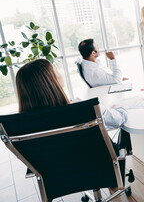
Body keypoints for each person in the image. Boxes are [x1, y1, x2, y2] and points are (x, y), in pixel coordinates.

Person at [15, 59, 128, 195]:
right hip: (101, 168)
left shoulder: (19, 126)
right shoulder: (86, 109)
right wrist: (120, 107)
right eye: (56, 70)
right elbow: (119, 119)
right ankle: (114, 191)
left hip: (57, 177)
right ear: (51, 81)